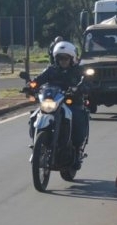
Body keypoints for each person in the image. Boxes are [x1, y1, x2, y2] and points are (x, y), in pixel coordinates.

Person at [31, 40, 89, 170]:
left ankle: (77, 149)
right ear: (56, 59)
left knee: (77, 118)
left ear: (71, 58)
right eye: (60, 58)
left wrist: (80, 88)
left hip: (72, 102)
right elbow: (39, 80)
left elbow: (86, 83)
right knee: (34, 116)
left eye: (66, 58)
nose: (63, 61)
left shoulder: (78, 71)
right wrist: (31, 86)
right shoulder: (51, 70)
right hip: (54, 100)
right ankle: (37, 146)